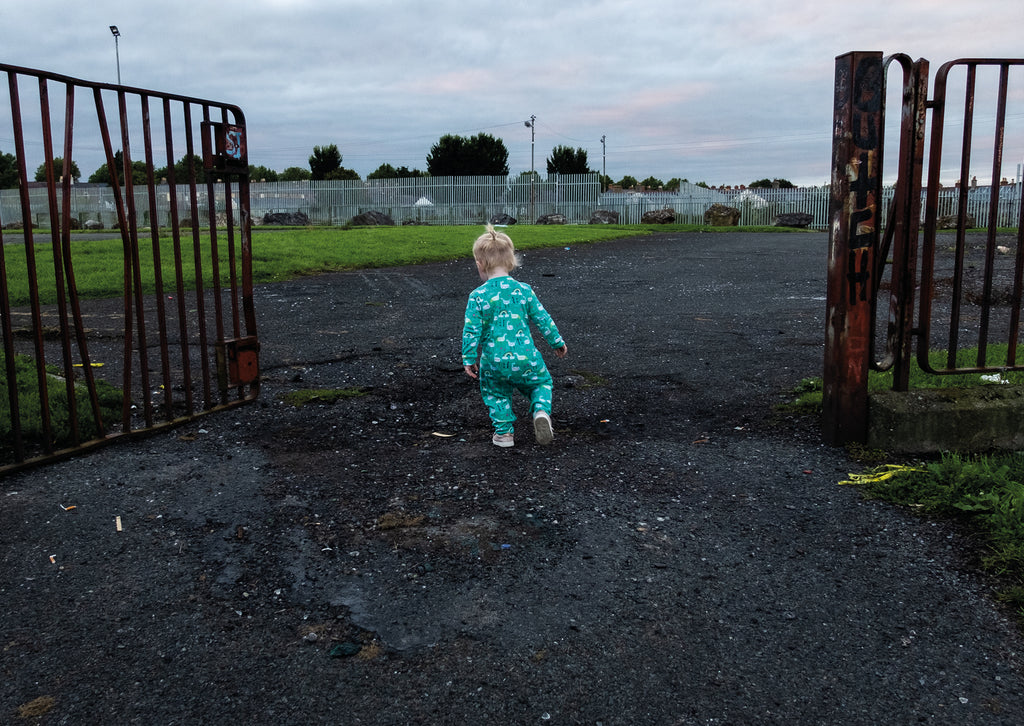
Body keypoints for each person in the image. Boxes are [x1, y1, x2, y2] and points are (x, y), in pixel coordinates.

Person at [462, 224, 568, 447]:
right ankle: (540, 411)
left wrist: (469, 359)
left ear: (479, 265)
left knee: (496, 393)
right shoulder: (524, 290)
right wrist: (556, 341)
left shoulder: (477, 296)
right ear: (511, 262)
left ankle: (504, 434)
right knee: (542, 383)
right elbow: (542, 318)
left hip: (494, 362)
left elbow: (471, 330)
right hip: (526, 357)